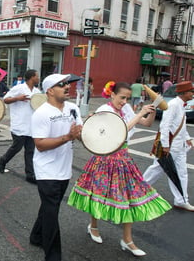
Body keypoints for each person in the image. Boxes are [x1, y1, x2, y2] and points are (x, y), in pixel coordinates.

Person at [68, 81, 171, 257]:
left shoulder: (126, 110)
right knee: (98, 196)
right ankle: (93, 226)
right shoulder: (103, 110)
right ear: (112, 94)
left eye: (127, 98)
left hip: (123, 160)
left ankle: (127, 240)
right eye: (122, 97)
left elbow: (145, 124)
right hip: (105, 159)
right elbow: (118, 133)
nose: (124, 101)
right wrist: (139, 114)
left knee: (129, 199)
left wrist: (150, 113)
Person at [28, 74, 82, 261]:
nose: (67, 87)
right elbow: (40, 145)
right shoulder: (41, 113)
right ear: (50, 91)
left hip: (64, 169)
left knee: (51, 206)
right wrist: (67, 137)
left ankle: (36, 236)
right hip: (46, 170)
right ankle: (53, 255)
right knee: (52, 212)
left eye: (68, 84)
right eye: (62, 84)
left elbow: (80, 133)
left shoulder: (73, 108)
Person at [143, 81, 194, 211]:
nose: (192, 94)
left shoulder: (181, 105)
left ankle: (182, 200)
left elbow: (180, 125)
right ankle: (137, 191)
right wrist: (165, 145)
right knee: (156, 170)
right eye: (191, 92)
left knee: (181, 173)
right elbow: (164, 126)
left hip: (179, 146)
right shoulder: (172, 105)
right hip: (170, 146)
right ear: (184, 93)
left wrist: (187, 138)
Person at [0, 69, 41, 184]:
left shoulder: (37, 91)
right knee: (16, 147)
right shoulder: (19, 88)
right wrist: (18, 98)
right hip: (19, 124)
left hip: (31, 126)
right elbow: (6, 100)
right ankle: (3, 160)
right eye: (37, 76)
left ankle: (30, 175)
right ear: (32, 77)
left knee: (30, 151)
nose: (38, 78)